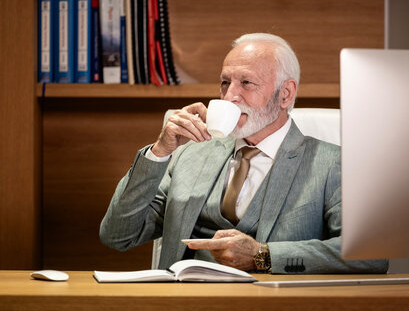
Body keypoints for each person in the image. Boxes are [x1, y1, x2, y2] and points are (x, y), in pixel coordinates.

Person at [100, 33, 388, 274]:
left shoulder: (332, 163)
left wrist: (263, 255)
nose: (229, 96)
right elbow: (118, 235)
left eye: (246, 83)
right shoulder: (189, 155)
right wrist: (160, 152)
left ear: (285, 94)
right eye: (225, 82)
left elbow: (371, 255)